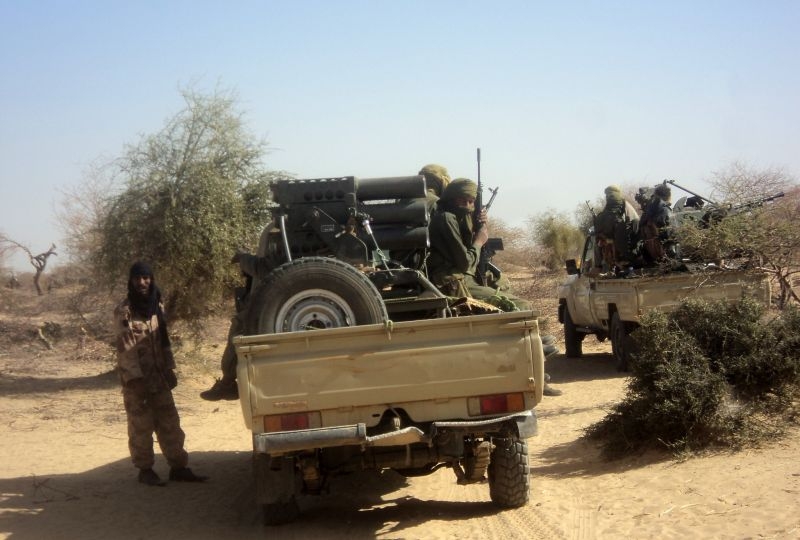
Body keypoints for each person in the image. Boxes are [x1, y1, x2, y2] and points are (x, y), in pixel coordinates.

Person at [427, 178, 562, 396]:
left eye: (471, 201)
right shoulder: (446, 219)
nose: (468, 206)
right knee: (521, 307)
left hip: (462, 279)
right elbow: (465, 262)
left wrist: (478, 224)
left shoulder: (453, 216)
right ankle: (538, 359)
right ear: (451, 199)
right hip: (454, 283)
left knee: (506, 292)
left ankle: (538, 357)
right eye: (463, 201)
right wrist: (479, 240)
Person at [114, 262, 207, 486]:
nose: (142, 282)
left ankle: (178, 467)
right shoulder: (125, 312)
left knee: (170, 422)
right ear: (131, 281)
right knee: (141, 426)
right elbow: (126, 350)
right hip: (137, 381)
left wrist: (169, 368)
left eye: (146, 277)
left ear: (151, 279)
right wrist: (136, 380)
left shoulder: (157, 306)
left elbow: (163, 341)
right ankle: (145, 470)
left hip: (159, 378)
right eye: (137, 278)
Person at [200, 249, 275, 401]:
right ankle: (228, 382)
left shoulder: (295, 243)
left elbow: (264, 268)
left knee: (240, 326)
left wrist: (243, 258)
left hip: (273, 303)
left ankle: (227, 382)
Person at [594, 185, 640, 273]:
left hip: (620, 248)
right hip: (620, 249)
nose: (608, 197)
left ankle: (598, 266)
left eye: (609, 195)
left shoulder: (608, 210)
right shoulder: (622, 205)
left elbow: (634, 223)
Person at [639, 183, 676, 263]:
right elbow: (670, 234)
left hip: (650, 256)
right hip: (666, 256)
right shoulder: (665, 211)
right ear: (668, 196)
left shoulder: (646, 213)